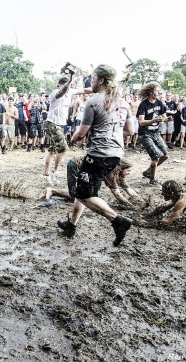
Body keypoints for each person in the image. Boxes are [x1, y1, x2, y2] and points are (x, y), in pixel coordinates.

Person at [56, 64, 134, 246]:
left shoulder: (94, 101)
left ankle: (118, 221)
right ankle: (71, 224)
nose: (90, 81)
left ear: (101, 80)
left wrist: (72, 139)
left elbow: (81, 133)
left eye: (92, 78)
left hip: (99, 154)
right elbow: (130, 130)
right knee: (86, 189)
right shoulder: (123, 102)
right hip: (115, 154)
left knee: (82, 194)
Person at [44, 74, 92, 183]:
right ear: (59, 85)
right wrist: (70, 80)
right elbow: (62, 92)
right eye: (66, 86)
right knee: (63, 148)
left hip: (60, 125)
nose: (68, 88)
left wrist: (101, 87)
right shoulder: (55, 92)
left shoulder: (70, 91)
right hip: (52, 123)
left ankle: (46, 174)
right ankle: (54, 172)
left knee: (53, 149)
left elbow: (84, 90)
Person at [41, 157, 138, 207]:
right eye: (128, 170)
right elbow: (117, 195)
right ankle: (52, 190)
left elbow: (128, 189)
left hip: (89, 171)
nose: (129, 173)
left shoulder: (120, 173)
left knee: (88, 196)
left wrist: (139, 200)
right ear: (121, 168)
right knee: (76, 196)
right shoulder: (111, 173)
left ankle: (53, 191)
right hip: (76, 165)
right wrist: (132, 206)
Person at [137, 82, 173, 185]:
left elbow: (163, 117)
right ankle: (152, 180)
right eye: (157, 91)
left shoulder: (159, 103)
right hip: (145, 134)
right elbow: (141, 122)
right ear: (151, 91)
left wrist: (167, 119)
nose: (158, 93)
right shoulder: (143, 105)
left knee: (165, 155)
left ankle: (148, 172)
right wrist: (154, 120)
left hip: (156, 133)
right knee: (155, 157)